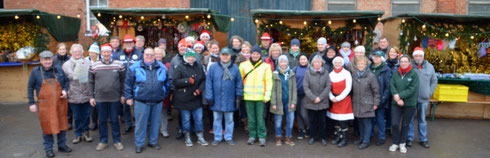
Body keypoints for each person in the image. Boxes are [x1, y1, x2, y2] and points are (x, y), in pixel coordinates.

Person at [125, 48, 169, 153]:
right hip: (141, 101)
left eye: (151, 54)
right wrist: (129, 97)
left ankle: (153, 142)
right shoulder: (134, 67)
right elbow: (128, 84)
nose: (149, 56)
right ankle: (139, 144)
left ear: (155, 55)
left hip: (157, 101)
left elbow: (167, 83)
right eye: (147, 54)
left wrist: (163, 95)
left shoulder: (162, 68)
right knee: (140, 124)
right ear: (143, 55)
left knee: (156, 122)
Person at [28, 51, 71, 157]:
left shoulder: (58, 69)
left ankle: (62, 145)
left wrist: (65, 90)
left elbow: (66, 81)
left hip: (60, 102)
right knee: (47, 126)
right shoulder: (35, 71)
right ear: (41, 60)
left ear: (52, 59)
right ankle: (48, 148)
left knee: (62, 123)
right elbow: (30, 87)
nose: (48, 61)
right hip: (45, 104)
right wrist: (31, 103)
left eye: (49, 59)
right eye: (45, 59)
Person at [88, 44, 125, 151]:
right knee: (102, 121)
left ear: (111, 53)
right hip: (100, 98)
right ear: (101, 53)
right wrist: (91, 97)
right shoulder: (95, 65)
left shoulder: (119, 64)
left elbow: (123, 81)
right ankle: (103, 141)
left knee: (114, 120)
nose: (106, 54)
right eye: (104, 52)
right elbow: (90, 82)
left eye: (108, 52)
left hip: (115, 98)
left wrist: (123, 95)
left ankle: (117, 141)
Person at [205, 48, 244, 146]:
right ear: (220, 56)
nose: (225, 56)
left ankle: (228, 137)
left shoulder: (235, 68)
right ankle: (217, 137)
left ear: (230, 56)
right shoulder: (213, 67)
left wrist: (239, 96)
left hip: (229, 98)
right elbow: (208, 83)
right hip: (216, 98)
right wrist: (209, 96)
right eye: (223, 55)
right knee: (217, 119)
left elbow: (239, 83)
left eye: (227, 55)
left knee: (229, 119)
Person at [172, 50, 208, 147]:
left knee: (199, 118)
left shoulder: (199, 66)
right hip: (184, 98)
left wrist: (199, 90)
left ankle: (200, 136)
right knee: (186, 119)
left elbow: (204, 80)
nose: (191, 59)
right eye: (189, 57)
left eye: (192, 56)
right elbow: (175, 81)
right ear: (185, 57)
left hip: (196, 97)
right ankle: (187, 136)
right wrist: (187, 81)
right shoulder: (180, 67)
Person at [239, 45, 273, 147]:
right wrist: (241, 93)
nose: (255, 55)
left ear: (260, 55)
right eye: (254, 53)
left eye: (257, 54)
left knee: (260, 117)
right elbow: (240, 81)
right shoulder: (243, 65)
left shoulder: (266, 66)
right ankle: (252, 135)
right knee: (251, 118)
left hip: (261, 97)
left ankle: (262, 136)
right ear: (251, 54)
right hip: (248, 96)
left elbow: (269, 82)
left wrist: (267, 96)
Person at [62, 44, 93, 144]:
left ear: (82, 52)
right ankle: (78, 134)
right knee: (77, 116)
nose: (77, 53)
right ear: (71, 52)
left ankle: (86, 133)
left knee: (86, 115)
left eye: (79, 51)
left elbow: (92, 77)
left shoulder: (88, 63)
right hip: (73, 94)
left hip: (86, 94)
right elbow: (66, 79)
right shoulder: (66, 65)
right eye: (75, 51)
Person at [407, 47, 437, 148]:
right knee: (409, 119)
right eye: (416, 56)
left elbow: (434, 81)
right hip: (411, 98)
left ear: (423, 56)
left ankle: (423, 139)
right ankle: (409, 138)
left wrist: (429, 92)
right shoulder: (408, 65)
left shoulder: (430, 67)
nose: (418, 57)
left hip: (424, 98)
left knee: (422, 119)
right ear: (413, 56)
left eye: (420, 55)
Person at [112, 34, 143, 135]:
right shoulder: (117, 54)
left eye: (130, 42)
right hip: (124, 85)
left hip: (137, 84)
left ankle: (138, 125)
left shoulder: (140, 54)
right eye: (126, 42)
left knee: (137, 107)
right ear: (124, 43)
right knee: (125, 107)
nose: (128, 44)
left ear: (134, 43)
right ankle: (128, 125)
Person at [389, 55, 419, 154]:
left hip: (409, 104)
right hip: (396, 103)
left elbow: (412, 89)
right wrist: (396, 97)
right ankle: (395, 142)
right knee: (395, 123)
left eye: (405, 61)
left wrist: (400, 96)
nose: (403, 63)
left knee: (406, 124)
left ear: (409, 62)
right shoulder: (396, 73)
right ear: (399, 62)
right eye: (402, 61)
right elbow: (392, 85)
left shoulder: (414, 74)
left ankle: (402, 143)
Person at [351, 56, 380, 149]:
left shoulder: (371, 76)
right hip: (357, 103)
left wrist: (376, 103)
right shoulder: (354, 75)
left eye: (362, 64)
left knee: (367, 123)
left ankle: (366, 140)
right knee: (360, 122)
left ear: (366, 65)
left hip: (367, 103)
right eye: (359, 64)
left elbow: (376, 91)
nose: (360, 65)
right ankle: (362, 138)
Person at [303, 55, 331, 146]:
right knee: (312, 121)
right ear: (313, 63)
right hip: (311, 102)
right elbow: (306, 87)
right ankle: (312, 137)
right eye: (316, 62)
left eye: (319, 62)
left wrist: (320, 98)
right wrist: (313, 98)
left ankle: (322, 137)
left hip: (322, 102)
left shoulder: (326, 73)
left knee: (322, 121)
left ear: (322, 63)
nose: (317, 64)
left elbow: (328, 86)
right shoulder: (308, 73)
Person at [270, 55, 297, 146]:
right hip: (278, 102)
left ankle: (288, 137)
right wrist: (273, 102)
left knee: (290, 120)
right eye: (281, 62)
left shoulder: (291, 73)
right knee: (278, 121)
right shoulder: (275, 74)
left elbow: (294, 89)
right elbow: (273, 89)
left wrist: (293, 102)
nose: (283, 64)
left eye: (285, 62)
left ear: (287, 63)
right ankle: (278, 138)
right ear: (278, 63)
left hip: (289, 101)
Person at [328, 57, 353, 148]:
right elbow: (328, 88)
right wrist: (331, 97)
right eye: (335, 62)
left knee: (342, 121)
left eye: (339, 62)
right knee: (336, 121)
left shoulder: (347, 73)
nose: (337, 64)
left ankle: (344, 139)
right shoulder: (330, 74)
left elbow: (348, 88)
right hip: (334, 100)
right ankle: (338, 137)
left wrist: (338, 98)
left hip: (343, 99)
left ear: (342, 63)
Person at [370, 50, 392, 146]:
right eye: (374, 56)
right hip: (369, 98)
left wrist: (383, 99)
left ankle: (381, 137)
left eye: (378, 57)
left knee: (380, 118)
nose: (375, 58)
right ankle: (369, 135)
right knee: (370, 118)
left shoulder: (386, 69)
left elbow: (388, 86)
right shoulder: (370, 67)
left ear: (382, 59)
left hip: (380, 98)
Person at [52, 43, 73, 130]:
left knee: (69, 105)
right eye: (60, 49)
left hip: (69, 84)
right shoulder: (54, 60)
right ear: (57, 50)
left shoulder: (70, 59)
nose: (62, 51)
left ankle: (69, 122)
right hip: (58, 85)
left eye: (64, 49)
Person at [234, 41, 252, 132]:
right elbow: (236, 72)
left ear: (250, 48)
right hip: (242, 84)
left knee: (250, 105)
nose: (245, 49)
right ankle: (245, 123)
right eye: (243, 47)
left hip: (253, 85)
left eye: (246, 47)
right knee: (243, 105)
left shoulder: (254, 56)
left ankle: (251, 122)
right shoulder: (238, 58)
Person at [155, 47, 171, 138]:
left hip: (164, 92)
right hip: (153, 93)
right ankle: (155, 130)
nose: (158, 56)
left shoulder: (167, 65)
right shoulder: (149, 64)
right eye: (156, 54)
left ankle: (164, 129)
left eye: (159, 54)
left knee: (163, 112)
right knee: (153, 113)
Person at [292, 54, 310, 140]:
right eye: (301, 59)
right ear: (299, 60)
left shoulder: (310, 69)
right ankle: (302, 130)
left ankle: (309, 127)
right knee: (298, 113)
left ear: (307, 60)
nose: (303, 61)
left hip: (306, 94)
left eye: (304, 59)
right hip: (297, 94)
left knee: (304, 113)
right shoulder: (295, 69)